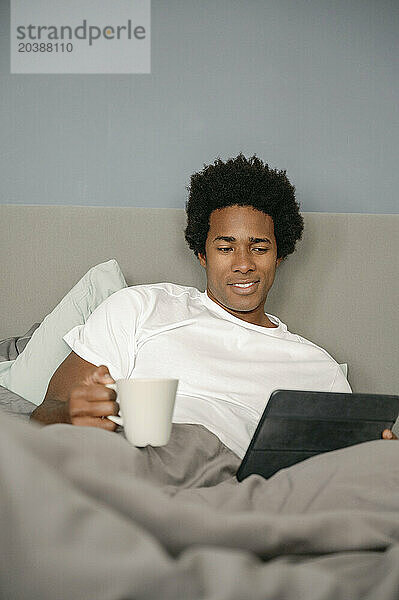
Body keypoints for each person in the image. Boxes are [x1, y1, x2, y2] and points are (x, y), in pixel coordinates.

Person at [30, 154, 396, 457]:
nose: (243, 263)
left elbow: (337, 468)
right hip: (129, 458)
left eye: (259, 247)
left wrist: (375, 461)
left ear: (279, 256)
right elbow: (44, 412)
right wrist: (73, 414)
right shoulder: (139, 308)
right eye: (225, 248)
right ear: (202, 254)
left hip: (231, 483)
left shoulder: (320, 371)